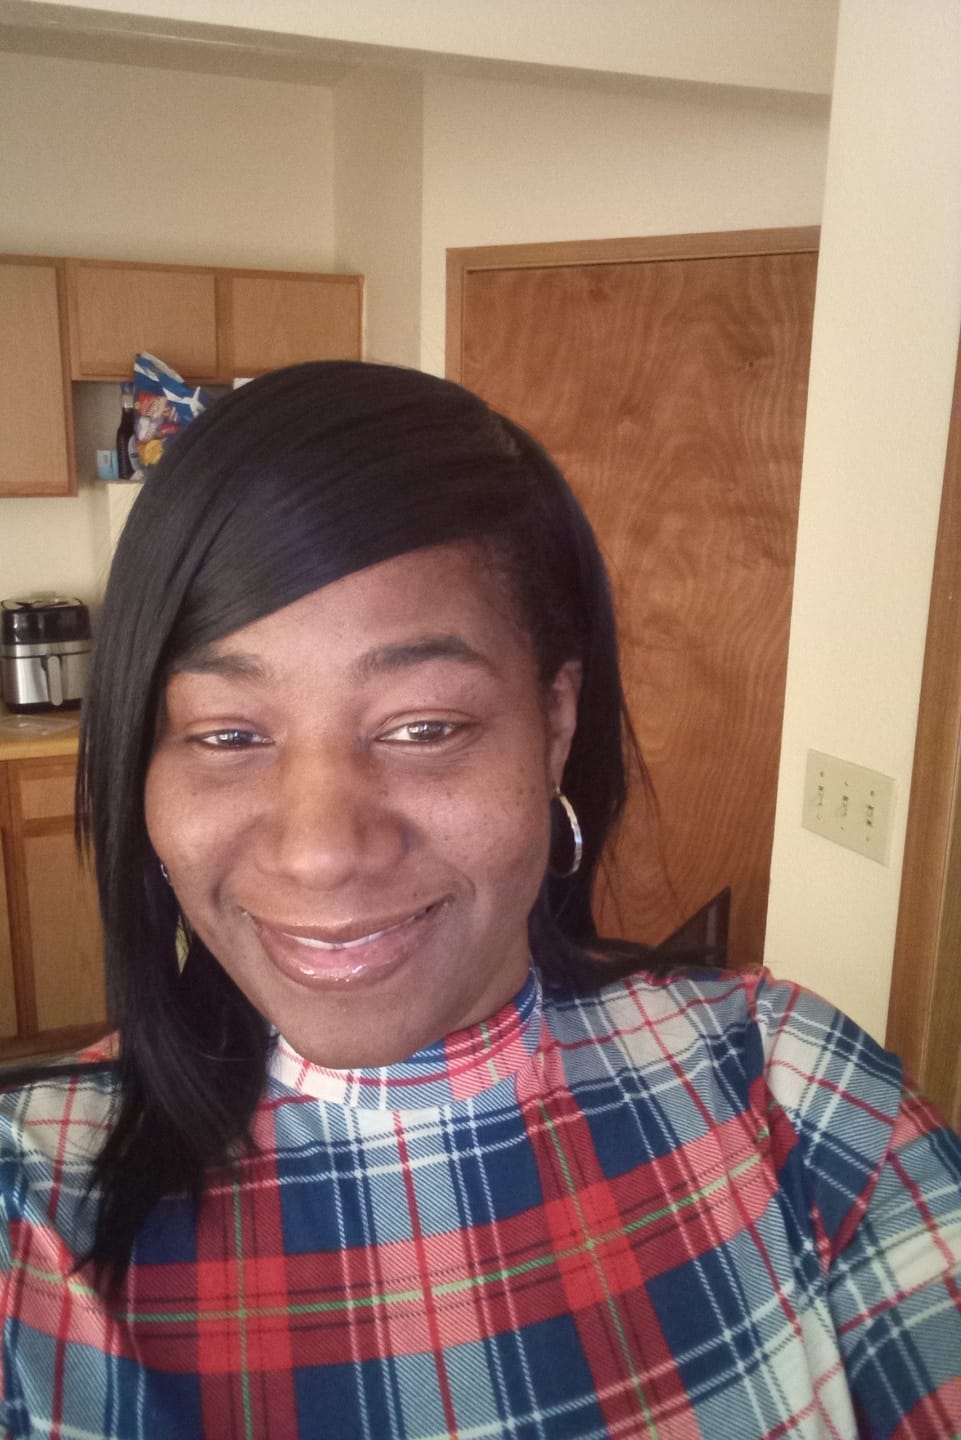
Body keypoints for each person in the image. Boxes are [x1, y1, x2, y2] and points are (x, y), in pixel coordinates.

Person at [0, 361, 959, 1440]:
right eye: (227, 735)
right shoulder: (29, 1207)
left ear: (553, 725)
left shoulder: (786, 1084)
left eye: (424, 727)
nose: (321, 853)